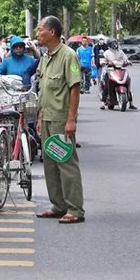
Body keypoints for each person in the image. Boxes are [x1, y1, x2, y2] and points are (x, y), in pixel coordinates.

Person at [35, 16, 85, 224]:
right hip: (46, 117)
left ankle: (74, 208)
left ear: (52, 32)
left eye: (40, 30)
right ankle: (58, 205)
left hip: (60, 119)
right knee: (50, 163)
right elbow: (42, 89)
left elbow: (74, 88)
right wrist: (38, 116)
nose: (37, 34)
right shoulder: (45, 57)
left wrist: (71, 120)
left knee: (65, 161)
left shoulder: (68, 56)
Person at [100, 39, 137, 110]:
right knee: (107, 86)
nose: (115, 45)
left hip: (120, 69)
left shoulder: (120, 52)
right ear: (109, 45)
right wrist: (104, 63)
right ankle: (103, 103)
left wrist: (128, 62)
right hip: (110, 71)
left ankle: (131, 103)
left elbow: (125, 59)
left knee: (127, 82)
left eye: (115, 43)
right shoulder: (106, 53)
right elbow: (103, 60)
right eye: (113, 43)